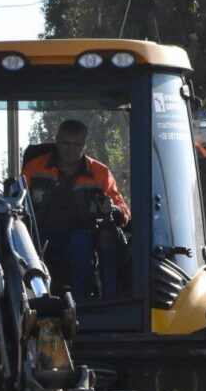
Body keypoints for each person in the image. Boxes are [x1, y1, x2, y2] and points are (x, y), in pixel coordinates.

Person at [22, 119, 129, 298]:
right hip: (37, 239)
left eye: (77, 144)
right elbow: (16, 202)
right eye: (66, 143)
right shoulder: (34, 168)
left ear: (84, 145)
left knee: (81, 240)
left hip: (81, 241)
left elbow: (123, 210)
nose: (70, 149)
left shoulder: (100, 173)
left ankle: (83, 305)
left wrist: (112, 209)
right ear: (57, 141)